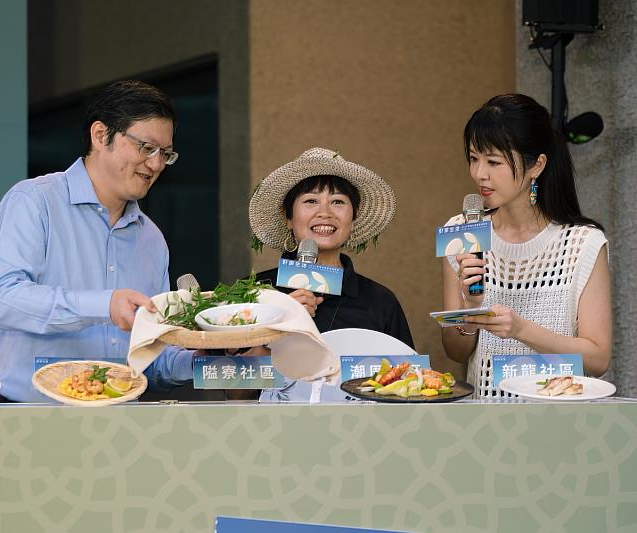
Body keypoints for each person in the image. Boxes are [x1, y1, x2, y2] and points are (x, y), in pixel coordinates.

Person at [0, 80, 193, 402]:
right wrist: (104, 305)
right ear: (100, 135)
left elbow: (152, 361)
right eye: (146, 148)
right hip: (30, 421)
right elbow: (2, 300)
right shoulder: (34, 202)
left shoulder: (151, 238)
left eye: (165, 154)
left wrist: (212, 358)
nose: (155, 165)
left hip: (119, 428)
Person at [442, 93, 611, 398]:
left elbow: (598, 360)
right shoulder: (460, 232)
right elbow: (455, 352)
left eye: (494, 161)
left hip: (559, 420)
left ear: (537, 165)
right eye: (474, 158)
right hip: (486, 420)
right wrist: (469, 308)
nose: (480, 173)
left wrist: (521, 330)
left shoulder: (583, 242)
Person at [247, 147, 414, 401]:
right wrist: (273, 331)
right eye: (310, 201)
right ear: (288, 217)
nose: (325, 212)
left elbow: (408, 390)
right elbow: (234, 390)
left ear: (353, 218)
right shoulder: (257, 292)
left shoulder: (380, 301)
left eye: (338, 202)